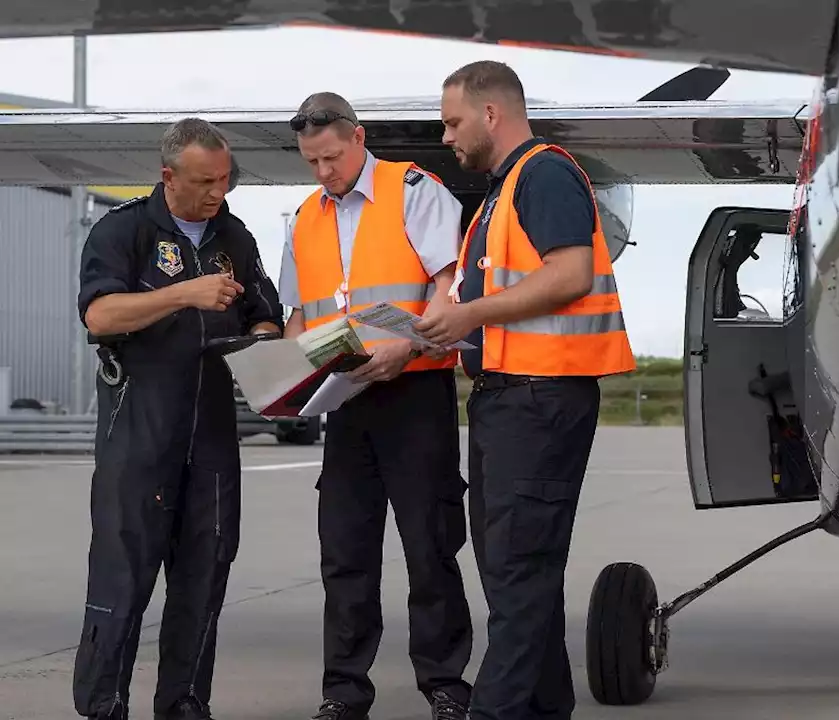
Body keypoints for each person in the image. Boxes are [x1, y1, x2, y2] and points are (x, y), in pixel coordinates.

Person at [414, 60, 637, 720]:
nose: (447, 138)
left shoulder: (545, 175)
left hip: (540, 401)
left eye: (453, 123)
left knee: (517, 577)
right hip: (509, 399)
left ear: (491, 114)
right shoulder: (502, 192)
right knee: (519, 577)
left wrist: (470, 316)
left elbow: (570, 275)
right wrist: (446, 326)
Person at [73, 118, 284, 720]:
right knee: (121, 584)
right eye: (204, 182)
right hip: (138, 438)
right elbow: (101, 315)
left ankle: (186, 706)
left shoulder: (235, 238)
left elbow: (263, 313)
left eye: (225, 180)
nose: (218, 193)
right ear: (168, 177)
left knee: (203, 584)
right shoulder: (124, 232)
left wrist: (264, 342)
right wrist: (184, 293)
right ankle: (103, 706)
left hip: (213, 440)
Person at [277, 92, 473, 720]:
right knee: (345, 551)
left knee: (429, 544)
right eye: (312, 162)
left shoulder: (415, 190)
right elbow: (299, 319)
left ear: (358, 138)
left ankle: (445, 685)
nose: (323, 173)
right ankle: (343, 692)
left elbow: (450, 288)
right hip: (345, 402)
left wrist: (405, 352)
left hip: (414, 392)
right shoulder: (305, 217)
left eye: (331, 157)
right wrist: (281, 380)